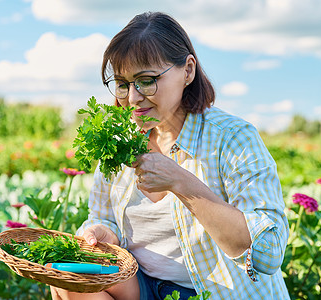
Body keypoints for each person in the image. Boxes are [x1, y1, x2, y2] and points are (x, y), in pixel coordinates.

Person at [51, 11, 290, 300]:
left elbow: (269, 253)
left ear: (187, 71)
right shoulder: (120, 141)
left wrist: (181, 182)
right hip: (142, 286)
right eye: (123, 83)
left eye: (147, 80)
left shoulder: (233, 138)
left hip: (213, 293)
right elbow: (103, 217)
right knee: (69, 279)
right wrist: (103, 233)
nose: (133, 98)